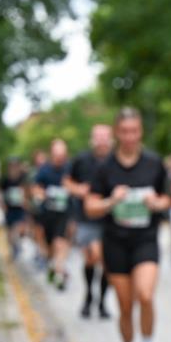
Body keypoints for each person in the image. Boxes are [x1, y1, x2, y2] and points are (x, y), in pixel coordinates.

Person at [86, 107, 170, 342]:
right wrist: (111, 201)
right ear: (116, 133)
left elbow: (166, 199)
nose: (129, 136)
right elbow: (91, 207)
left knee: (145, 295)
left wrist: (155, 203)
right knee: (124, 305)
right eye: (124, 131)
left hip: (145, 239)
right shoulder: (104, 167)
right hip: (115, 242)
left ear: (140, 131)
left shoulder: (154, 163)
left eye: (134, 131)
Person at [66, 124, 114, 319]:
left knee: (104, 260)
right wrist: (78, 190)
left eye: (105, 137)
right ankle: (88, 295)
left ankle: (101, 300)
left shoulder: (115, 161)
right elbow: (67, 181)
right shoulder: (81, 160)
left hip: (109, 219)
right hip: (85, 218)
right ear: (92, 139)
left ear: (111, 139)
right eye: (98, 137)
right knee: (90, 258)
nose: (102, 141)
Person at [33, 139, 73, 290]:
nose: (60, 158)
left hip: (64, 214)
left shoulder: (70, 169)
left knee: (60, 242)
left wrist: (71, 188)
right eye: (57, 155)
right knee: (50, 249)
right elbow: (36, 189)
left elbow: (78, 186)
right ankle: (55, 267)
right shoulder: (44, 170)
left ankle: (59, 273)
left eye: (62, 155)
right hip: (47, 214)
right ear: (52, 154)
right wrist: (43, 194)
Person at [0, 157, 28, 261]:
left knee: (19, 228)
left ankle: (18, 245)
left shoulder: (23, 178)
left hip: (20, 209)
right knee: (10, 234)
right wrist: (2, 204)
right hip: (9, 209)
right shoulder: (5, 180)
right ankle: (15, 248)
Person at [26, 149, 50, 268]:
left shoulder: (49, 171)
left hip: (48, 209)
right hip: (36, 208)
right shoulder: (33, 174)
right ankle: (41, 253)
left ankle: (44, 254)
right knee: (37, 232)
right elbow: (28, 190)